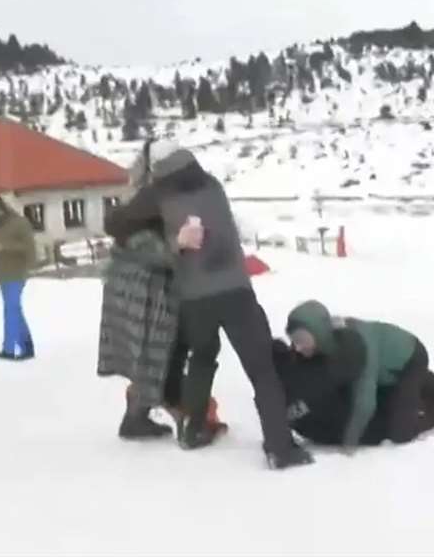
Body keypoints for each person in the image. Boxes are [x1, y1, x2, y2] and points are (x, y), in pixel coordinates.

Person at [104, 139, 312, 470]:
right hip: (237, 292)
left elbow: (114, 223)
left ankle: (194, 429)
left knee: (201, 357)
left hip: (195, 298)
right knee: (262, 370)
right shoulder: (212, 183)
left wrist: (165, 237)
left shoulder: (157, 194)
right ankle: (280, 448)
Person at [99, 158, 226, 440]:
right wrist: (182, 246)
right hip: (149, 295)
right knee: (163, 356)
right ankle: (189, 421)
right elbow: (161, 253)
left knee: (147, 358)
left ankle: (136, 419)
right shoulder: (154, 206)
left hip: (131, 294)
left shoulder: (136, 209)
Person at [274, 300, 434, 451]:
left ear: (319, 332)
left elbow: (365, 400)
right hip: (386, 368)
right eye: (294, 341)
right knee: (398, 394)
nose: (298, 347)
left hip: (410, 358)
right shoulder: (326, 341)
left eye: (303, 340)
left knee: (400, 431)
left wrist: (350, 441)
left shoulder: (357, 347)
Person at [0, 193, 37, 361]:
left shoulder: (20, 223)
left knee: (10, 309)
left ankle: (9, 348)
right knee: (15, 310)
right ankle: (27, 347)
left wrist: (5, 247)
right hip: (2, 273)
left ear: (3, 208)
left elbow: (29, 247)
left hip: (18, 271)